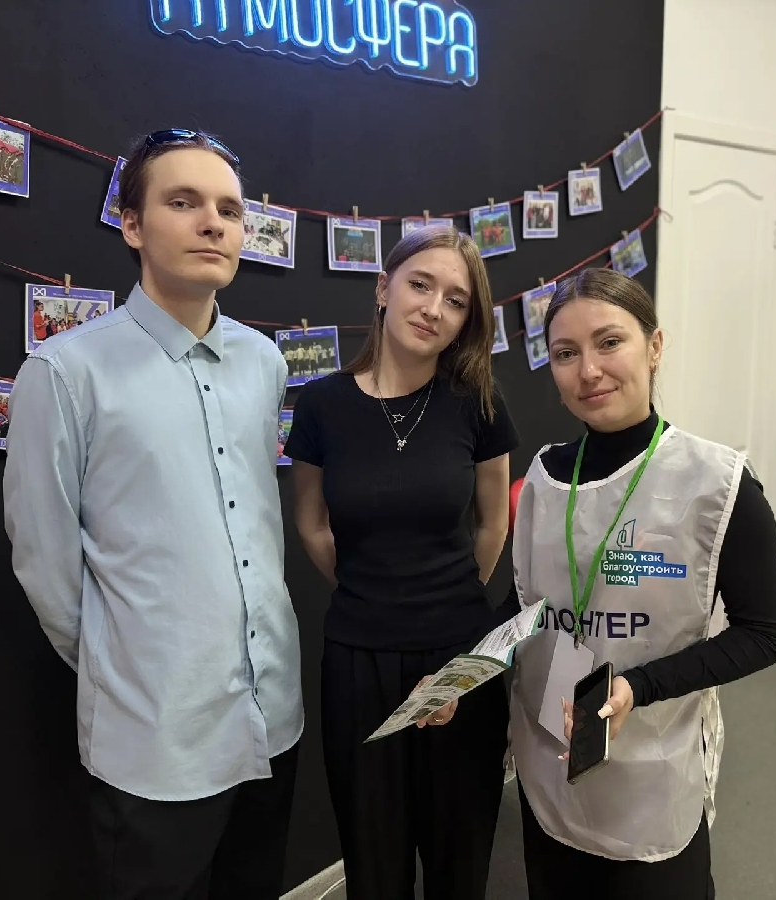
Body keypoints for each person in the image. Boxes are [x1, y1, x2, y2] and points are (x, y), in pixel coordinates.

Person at [3, 129, 302, 900]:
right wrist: (131, 663)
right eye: (184, 202)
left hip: (271, 713)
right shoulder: (66, 372)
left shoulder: (263, 363)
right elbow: (45, 562)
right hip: (156, 737)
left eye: (229, 210)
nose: (213, 224)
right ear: (132, 224)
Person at [504, 269, 776, 899]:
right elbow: (525, 606)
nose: (589, 371)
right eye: (565, 353)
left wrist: (641, 685)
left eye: (610, 342)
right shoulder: (543, 478)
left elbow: (764, 635)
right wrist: (460, 672)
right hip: (550, 756)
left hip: (653, 766)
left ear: (654, 346)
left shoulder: (718, 485)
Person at [284, 225, 520, 900]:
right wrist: (371, 591)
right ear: (384, 288)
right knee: (373, 860)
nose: (434, 309)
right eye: (421, 284)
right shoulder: (322, 404)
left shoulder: (477, 401)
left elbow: (494, 521)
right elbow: (311, 522)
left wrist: (448, 605)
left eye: (456, 300)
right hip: (356, 660)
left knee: (459, 857)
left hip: (459, 661)